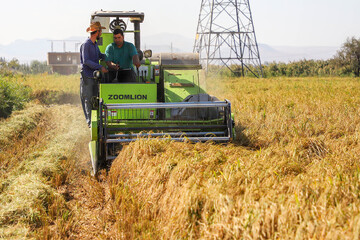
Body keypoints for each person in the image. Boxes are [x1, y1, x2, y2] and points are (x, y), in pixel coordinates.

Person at [80, 21, 108, 127]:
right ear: (97, 32)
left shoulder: (95, 45)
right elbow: (86, 61)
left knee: (94, 99)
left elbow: (100, 55)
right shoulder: (86, 45)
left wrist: (110, 56)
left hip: (94, 76)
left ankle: (96, 120)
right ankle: (90, 122)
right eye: (100, 31)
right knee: (87, 98)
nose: (101, 33)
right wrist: (100, 67)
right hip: (87, 76)